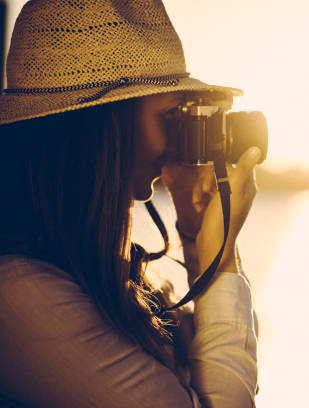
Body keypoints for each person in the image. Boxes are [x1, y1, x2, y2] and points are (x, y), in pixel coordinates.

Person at [0, 0, 259, 407]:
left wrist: (196, 236)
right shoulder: (20, 296)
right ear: (107, 128)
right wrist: (222, 262)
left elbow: (214, 376)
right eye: (171, 117)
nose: (178, 143)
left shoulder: (119, 278)